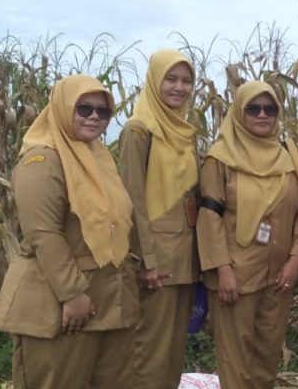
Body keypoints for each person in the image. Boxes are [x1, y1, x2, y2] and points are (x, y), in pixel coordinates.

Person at [0, 74, 137, 389]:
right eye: (84, 108)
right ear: (62, 107)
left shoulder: (99, 160)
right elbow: (43, 233)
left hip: (107, 300)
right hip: (60, 302)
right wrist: (72, 293)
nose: (94, 117)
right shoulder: (43, 161)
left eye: (103, 111)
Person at [196, 80, 298, 388]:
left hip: (278, 276)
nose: (262, 115)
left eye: (270, 109)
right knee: (236, 359)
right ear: (239, 112)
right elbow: (209, 217)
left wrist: (295, 260)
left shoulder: (288, 156)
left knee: (267, 355)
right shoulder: (220, 159)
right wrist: (222, 269)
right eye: (253, 109)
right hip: (236, 273)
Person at [119, 49, 200, 388]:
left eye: (186, 81)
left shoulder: (184, 132)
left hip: (184, 261)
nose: (179, 88)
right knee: (148, 352)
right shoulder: (139, 131)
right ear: (154, 81)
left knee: (172, 353)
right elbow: (132, 200)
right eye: (171, 79)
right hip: (157, 263)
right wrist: (145, 260)